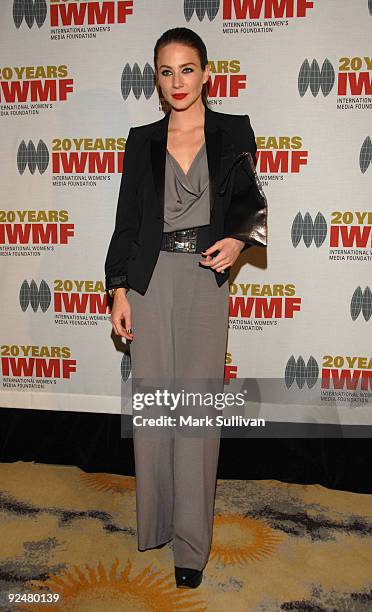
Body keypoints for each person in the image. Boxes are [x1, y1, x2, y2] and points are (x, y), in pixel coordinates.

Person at [105, 27, 258, 589]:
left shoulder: (233, 130)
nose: (177, 82)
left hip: (204, 278)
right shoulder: (140, 139)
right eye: (166, 71)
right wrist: (118, 288)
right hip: (148, 280)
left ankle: (191, 545)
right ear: (156, 77)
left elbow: (249, 205)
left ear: (207, 72)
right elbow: (126, 222)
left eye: (187, 69)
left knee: (193, 409)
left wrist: (239, 240)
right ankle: (160, 523)